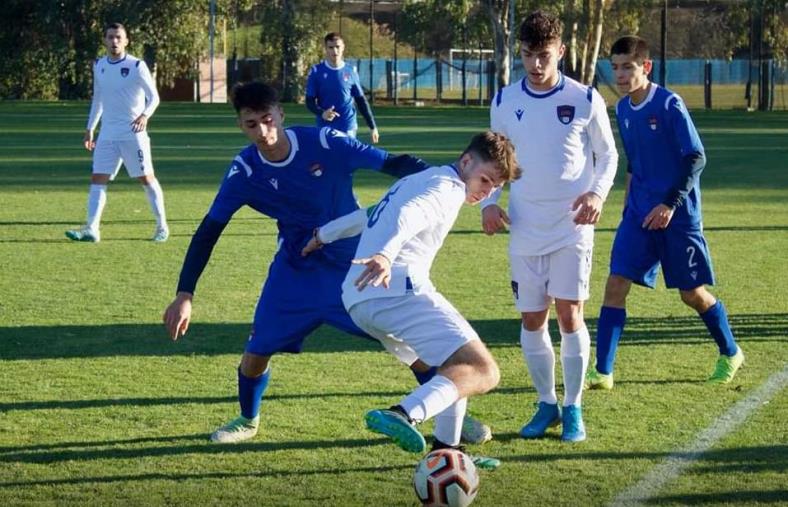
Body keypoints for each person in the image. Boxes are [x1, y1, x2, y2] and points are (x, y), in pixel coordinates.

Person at [162, 81, 490, 445]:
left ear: (281, 115)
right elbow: (209, 229)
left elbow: (390, 162)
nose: (263, 132)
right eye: (251, 124)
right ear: (241, 125)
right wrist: (184, 293)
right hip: (295, 269)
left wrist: (443, 180)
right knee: (257, 350)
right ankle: (247, 418)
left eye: (268, 120)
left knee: (407, 346)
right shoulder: (244, 171)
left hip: (356, 266)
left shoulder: (325, 143)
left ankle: (452, 407)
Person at [303, 132, 520, 466]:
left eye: (494, 187)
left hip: (359, 299)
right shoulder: (447, 188)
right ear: (465, 162)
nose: (486, 191)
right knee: (484, 370)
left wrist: (323, 235)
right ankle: (404, 413)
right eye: (484, 180)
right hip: (396, 290)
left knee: (454, 368)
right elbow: (410, 214)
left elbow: (371, 214)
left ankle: (447, 453)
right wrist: (386, 254)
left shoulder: (419, 178)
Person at [482, 11, 618, 442]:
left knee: (569, 315)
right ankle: (546, 405)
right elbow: (495, 161)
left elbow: (608, 156)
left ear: (560, 51)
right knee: (531, 319)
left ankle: (574, 407)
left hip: (571, 226)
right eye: (527, 55)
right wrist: (489, 201)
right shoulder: (504, 101)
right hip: (524, 226)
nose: (536, 65)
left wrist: (595, 195)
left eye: (543, 56)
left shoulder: (584, 99)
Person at [584, 36, 744, 390]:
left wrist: (669, 204)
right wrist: (628, 206)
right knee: (615, 284)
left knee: (692, 293)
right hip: (639, 215)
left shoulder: (670, 104)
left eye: (628, 66)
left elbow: (696, 157)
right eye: (616, 68)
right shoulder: (624, 109)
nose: (621, 75)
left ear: (646, 66)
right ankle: (603, 371)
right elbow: (635, 163)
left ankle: (730, 351)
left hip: (678, 215)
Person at [66, 22, 168, 243]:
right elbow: (98, 99)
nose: (114, 42)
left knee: (146, 179)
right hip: (107, 135)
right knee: (97, 179)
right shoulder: (99, 65)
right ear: (104, 40)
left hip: (133, 134)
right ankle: (92, 229)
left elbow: (155, 98)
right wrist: (90, 129)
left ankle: (162, 226)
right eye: (110, 37)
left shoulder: (137, 66)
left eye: (118, 37)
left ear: (126, 41)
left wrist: (144, 116)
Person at [305, 32, 379, 143]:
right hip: (325, 126)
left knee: (346, 158)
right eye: (331, 47)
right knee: (327, 159)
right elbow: (309, 101)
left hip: (347, 125)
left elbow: (361, 101)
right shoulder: (316, 71)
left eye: (338, 47)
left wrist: (372, 126)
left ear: (343, 47)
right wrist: (322, 113)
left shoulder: (351, 71)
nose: (335, 51)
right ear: (325, 48)